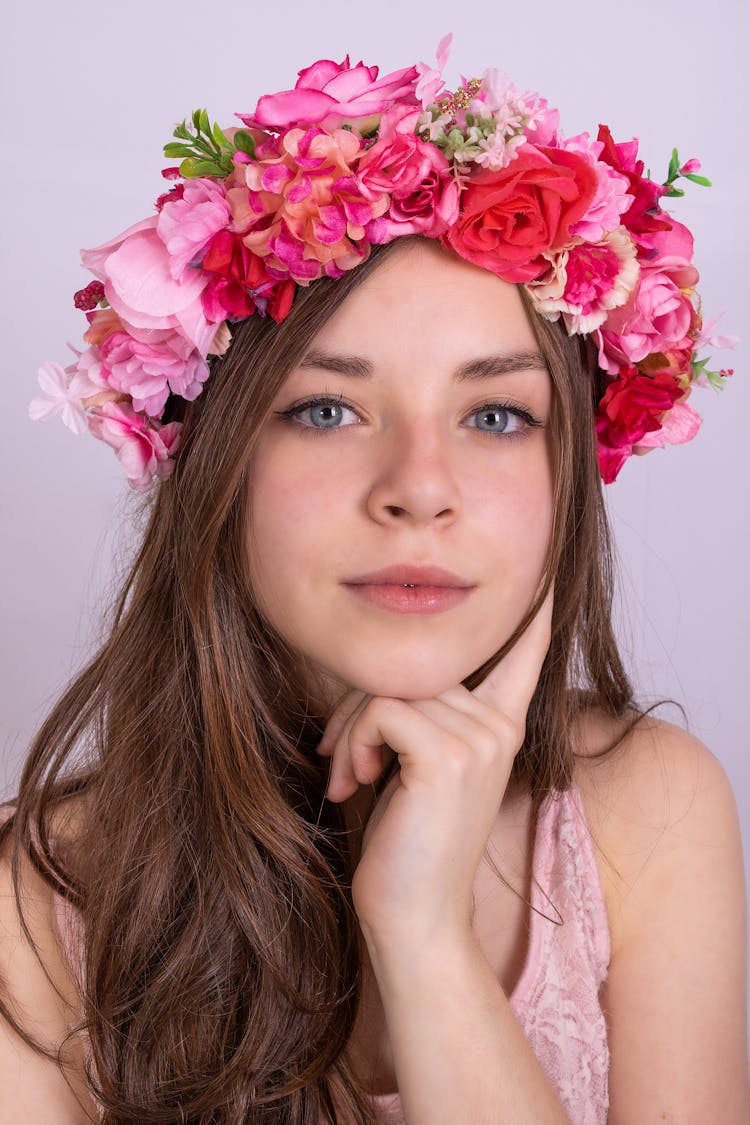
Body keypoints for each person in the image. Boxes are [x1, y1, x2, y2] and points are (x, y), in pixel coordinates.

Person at [2, 37, 747, 1124]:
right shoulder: (33, 904)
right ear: (218, 464)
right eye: (327, 408)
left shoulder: (649, 808)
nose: (420, 489)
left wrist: (424, 935)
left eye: (495, 416)